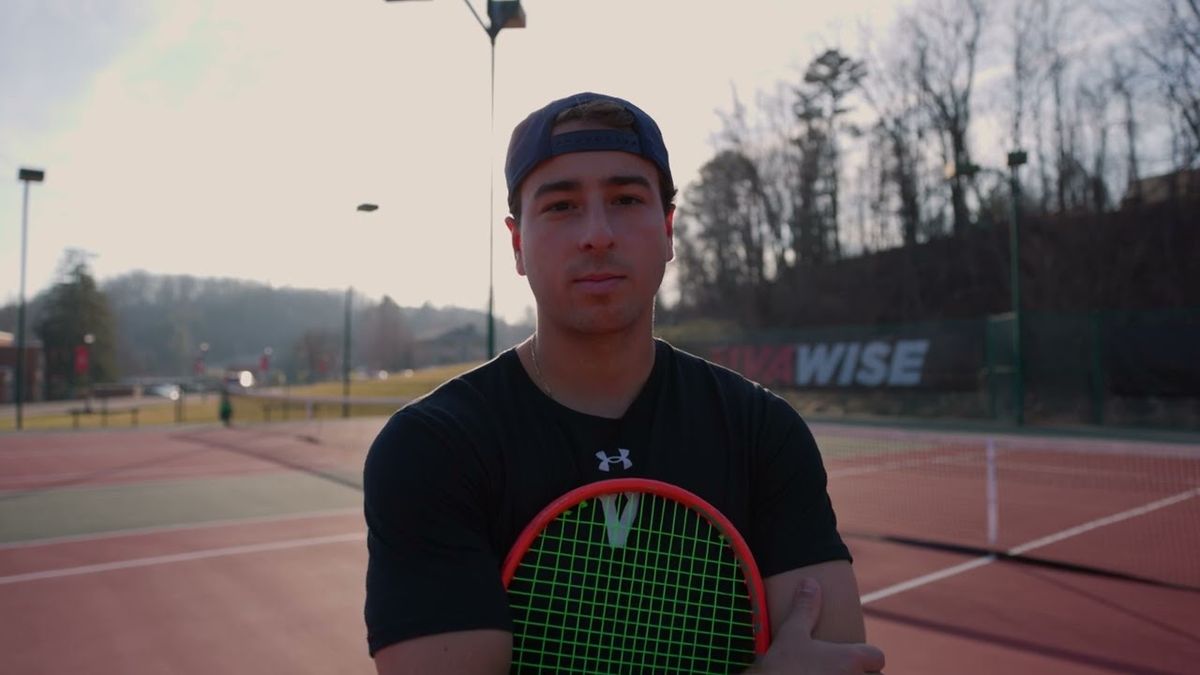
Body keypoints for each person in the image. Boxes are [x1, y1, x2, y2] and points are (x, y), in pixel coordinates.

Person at [363, 92, 885, 674]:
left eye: (625, 199)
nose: (597, 233)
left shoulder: (763, 431)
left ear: (668, 230)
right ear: (517, 245)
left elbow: (839, 661)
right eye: (561, 206)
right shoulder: (433, 448)